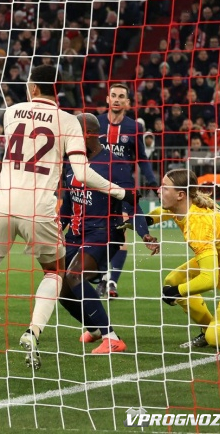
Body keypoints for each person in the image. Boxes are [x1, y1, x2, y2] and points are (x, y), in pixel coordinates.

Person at [0, 64, 136, 369]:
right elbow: (82, 173)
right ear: (59, 90)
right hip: (39, 207)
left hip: (2, 202)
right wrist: (119, 192)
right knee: (55, 273)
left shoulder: (11, 112)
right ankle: (33, 331)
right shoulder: (68, 121)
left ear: (33, 88)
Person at [59, 114, 159, 354]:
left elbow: (131, 202)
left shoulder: (115, 164)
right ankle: (94, 329)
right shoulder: (70, 162)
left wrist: (144, 233)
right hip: (75, 234)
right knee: (61, 289)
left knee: (75, 276)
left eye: (73, 134)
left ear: (89, 134)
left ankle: (111, 338)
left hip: (104, 233)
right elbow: (67, 204)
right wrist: (56, 228)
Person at [156, 169, 220, 349]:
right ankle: (207, 329)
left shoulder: (197, 225)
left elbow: (209, 279)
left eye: (164, 187)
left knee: (218, 339)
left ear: (180, 195)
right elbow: (161, 212)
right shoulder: (188, 205)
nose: (158, 190)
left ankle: (211, 334)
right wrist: (143, 221)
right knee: (174, 279)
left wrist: (177, 292)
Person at [97, 83, 159, 299]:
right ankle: (101, 277)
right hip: (97, 186)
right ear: (107, 99)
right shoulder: (96, 123)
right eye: (113, 95)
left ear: (127, 102)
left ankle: (111, 281)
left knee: (121, 233)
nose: (116, 99)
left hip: (122, 186)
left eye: (121, 96)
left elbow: (142, 158)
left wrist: (153, 182)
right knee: (97, 234)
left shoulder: (134, 127)